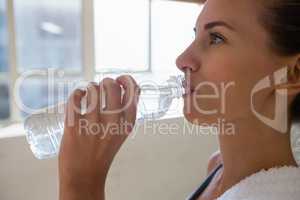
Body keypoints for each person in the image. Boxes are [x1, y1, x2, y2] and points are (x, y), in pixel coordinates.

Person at [58, 0, 300, 199]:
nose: (182, 59)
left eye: (216, 38)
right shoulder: (217, 168)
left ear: (293, 73)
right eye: (195, 36)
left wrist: (80, 183)